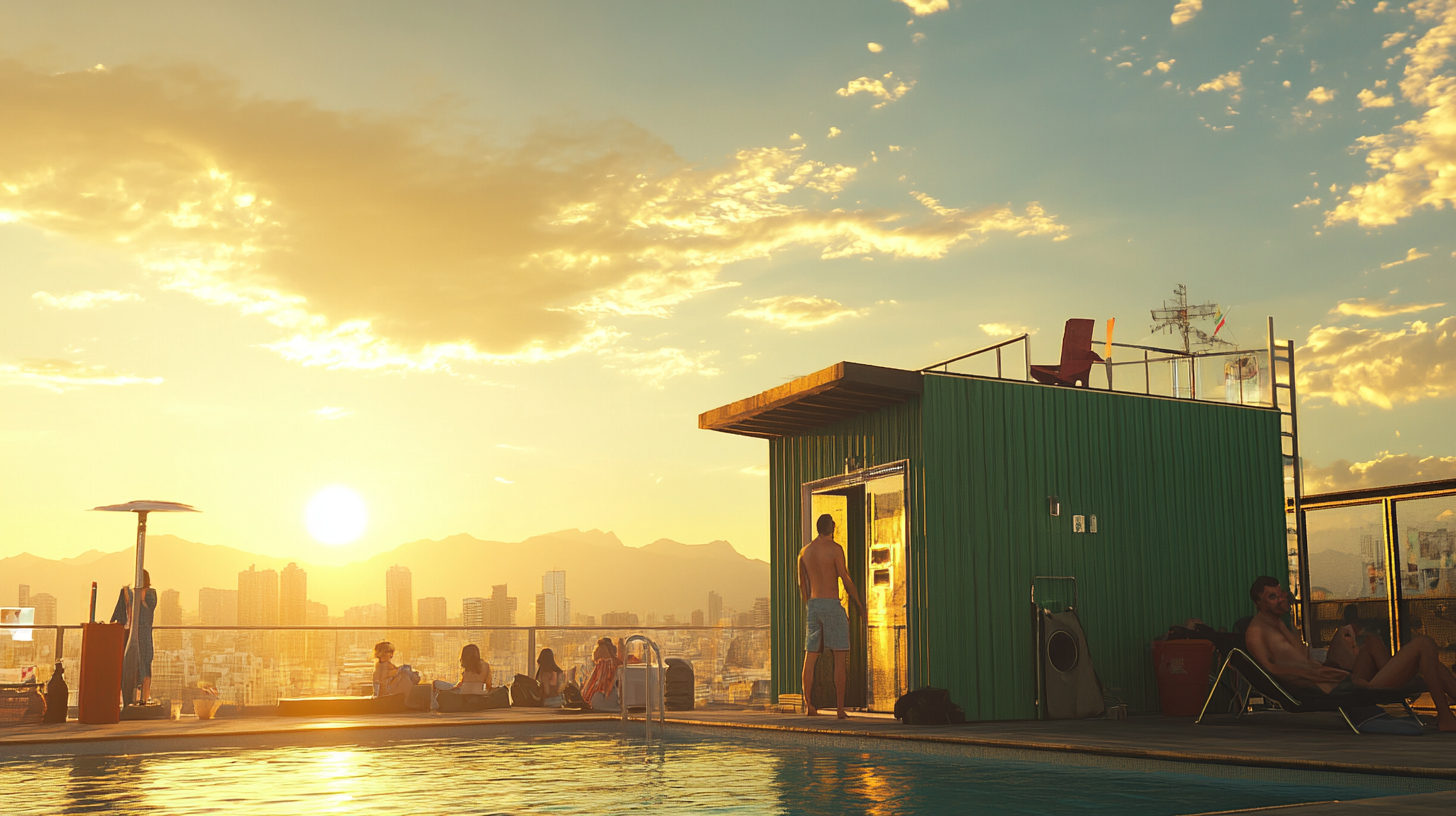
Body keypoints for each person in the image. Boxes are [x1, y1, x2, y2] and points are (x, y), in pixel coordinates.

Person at [1244, 576, 1456, 732]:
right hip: (1335, 686)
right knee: (1424, 644)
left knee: (1373, 641)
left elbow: (1302, 658)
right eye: (1272, 597)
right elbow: (1270, 670)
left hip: (1339, 678)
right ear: (1258, 603)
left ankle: (1403, 675)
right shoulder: (1257, 631)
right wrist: (1320, 676)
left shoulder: (1283, 624)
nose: (1280, 600)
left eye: (1280, 594)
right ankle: (1445, 717)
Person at [798, 513, 865, 719]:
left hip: (813, 605)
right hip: (831, 604)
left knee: (810, 657)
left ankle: (809, 705)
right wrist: (860, 605)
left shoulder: (805, 552)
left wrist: (809, 604)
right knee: (839, 656)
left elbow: (802, 584)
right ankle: (839, 709)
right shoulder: (835, 550)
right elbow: (844, 578)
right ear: (832, 527)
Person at [110, 569, 158, 706]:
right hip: (131, 633)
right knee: (130, 665)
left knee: (145, 663)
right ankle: (129, 698)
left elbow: (147, 607)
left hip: (143, 633)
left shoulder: (150, 593)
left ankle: (144, 697)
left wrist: (137, 594)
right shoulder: (129, 592)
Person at [581, 637, 622, 710]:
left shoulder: (604, 664)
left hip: (602, 706)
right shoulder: (619, 664)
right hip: (616, 704)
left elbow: (590, 689)